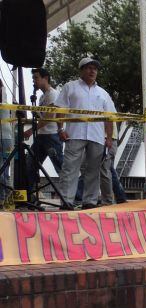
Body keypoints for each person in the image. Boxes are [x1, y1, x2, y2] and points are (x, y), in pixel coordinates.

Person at [55, 57, 116, 210]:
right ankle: (66, 201)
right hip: (74, 134)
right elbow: (60, 109)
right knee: (70, 168)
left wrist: (109, 138)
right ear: (81, 70)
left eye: (95, 68)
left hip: (96, 136)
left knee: (94, 171)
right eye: (88, 68)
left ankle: (90, 202)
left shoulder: (103, 93)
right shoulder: (70, 87)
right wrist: (60, 129)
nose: (92, 71)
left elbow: (110, 117)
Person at [25, 68, 63, 197]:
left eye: (36, 78)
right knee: (30, 165)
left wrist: (31, 130)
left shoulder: (53, 94)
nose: (34, 81)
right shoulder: (42, 96)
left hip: (51, 136)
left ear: (45, 78)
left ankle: (76, 195)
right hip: (41, 136)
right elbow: (42, 117)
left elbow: (49, 117)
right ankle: (30, 195)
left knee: (60, 166)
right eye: (33, 78)